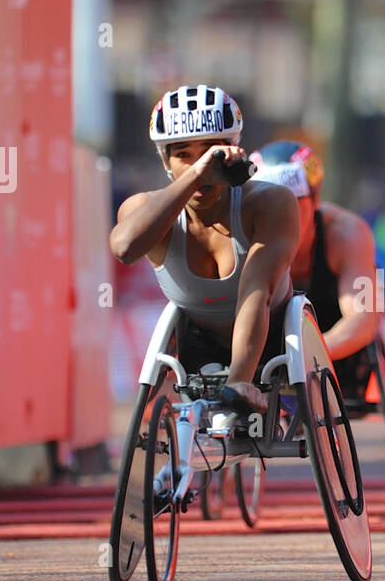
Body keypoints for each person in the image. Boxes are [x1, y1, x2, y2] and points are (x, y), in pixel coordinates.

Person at [108, 84, 299, 414]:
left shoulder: (270, 203)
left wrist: (240, 380)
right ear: (165, 161)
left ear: (233, 151)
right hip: (199, 341)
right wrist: (195, 176)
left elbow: (256, 292)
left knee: (256, 297)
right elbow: (124, 248)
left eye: (210, 152)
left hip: (273, 336)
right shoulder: (143, 208)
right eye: (183, 154)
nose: (201, 165)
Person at [249, 140, 380, 406]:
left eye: (292, 201)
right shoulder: (245, 236)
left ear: (316, 199)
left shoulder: (347, 234)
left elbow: (362, 320)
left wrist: (303, 356)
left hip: (332, 332)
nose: (281, 212)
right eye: (269, 202)